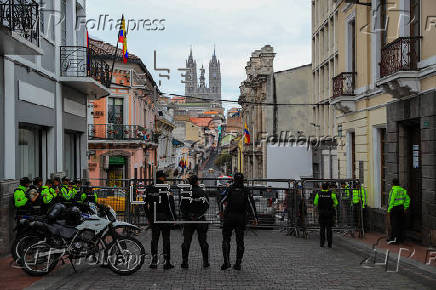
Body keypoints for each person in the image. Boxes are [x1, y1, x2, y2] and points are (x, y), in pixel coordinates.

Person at [219, 172, 257, 271]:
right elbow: (251, 205)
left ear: (234, 180)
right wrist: (255, 218)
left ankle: (226, 262)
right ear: (243, 180)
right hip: (241, 217)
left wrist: (222, 213)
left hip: (229, 216)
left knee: (226, 239)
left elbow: (221, 201)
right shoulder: (245, 190)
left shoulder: (230, 189)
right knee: (240, 241)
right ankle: (238, 263)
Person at [144, 170, 176, 270]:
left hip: (153, 216)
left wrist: (149, 217)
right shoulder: (166, 188)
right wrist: (173, 218)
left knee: (154, 239)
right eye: (164, 177)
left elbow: (146, 204)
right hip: (164, 216)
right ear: (161, 178)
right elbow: (170, 205)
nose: (165, 179)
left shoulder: (149, 188)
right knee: (166, 239)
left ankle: (154, 262)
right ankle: (167, 263)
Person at [180, 175, 210, 269]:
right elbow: (207, 205)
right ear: (197, 182)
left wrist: (188, 215)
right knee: (203, 241)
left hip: (189, 220)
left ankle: (185, 262)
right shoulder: (202, 192)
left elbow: (182, 207)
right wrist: (199, 215)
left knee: (186, 241)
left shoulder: (186, 193)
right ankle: (205, 262)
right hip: (200, 219)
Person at [314, 183, 338, 248]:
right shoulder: (332, 194)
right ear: (328, 187)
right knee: (329, 229)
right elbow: (336, 203)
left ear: (322, 187)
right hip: (329, 214)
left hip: (321, 213)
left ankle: (322, 243)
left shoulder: (318, 194)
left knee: (322, 229)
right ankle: (329, 244)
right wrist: (332, 206)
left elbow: (315, 203)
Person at [387, 178, 410, 244]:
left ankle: (394, 240)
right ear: (398, 183)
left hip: (394, 209)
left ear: (393, 183)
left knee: (394, 224)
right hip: (401, 208)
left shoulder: (393, 191)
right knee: (401, 224)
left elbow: (391, 201)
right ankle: (401, 239)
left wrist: (389, 210)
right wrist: (405, 207)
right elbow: (408, 199)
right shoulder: (403, 190)